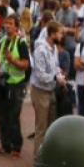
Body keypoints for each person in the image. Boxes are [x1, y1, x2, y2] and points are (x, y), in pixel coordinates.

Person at [0, 15, 30, 157]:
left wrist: (13, 60)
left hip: (16, 84)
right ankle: (5, 145)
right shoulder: (3, 40)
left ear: (16, 26)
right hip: (3, 82)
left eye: (10, 23)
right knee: (2, 114)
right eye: (6, 23)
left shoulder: (21, 42)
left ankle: (16, 146)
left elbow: (26, 64)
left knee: (13, 116)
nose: (7, 26)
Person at [30, 21, 65, 159]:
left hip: (50, 91)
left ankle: (47, 157)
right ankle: (38, 160)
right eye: (60, 33)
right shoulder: (40, 50)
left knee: (51, 126)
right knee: (41, 128)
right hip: (40, 92)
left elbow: (55, 66)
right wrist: (56, 79)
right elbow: (40, 75)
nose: (62, 36)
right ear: (52, 34)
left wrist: (59, 75)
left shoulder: (54, 48)